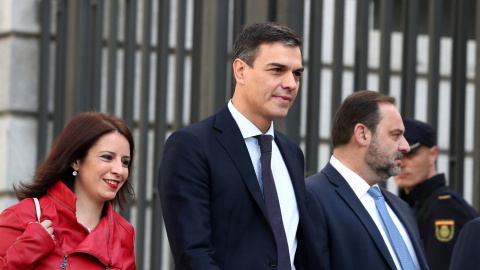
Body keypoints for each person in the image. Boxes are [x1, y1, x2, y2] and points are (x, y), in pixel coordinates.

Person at [158, 22, 326, 270]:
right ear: (240, 71)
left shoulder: (292, 153)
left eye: (297, 73)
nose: (291, 83)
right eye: (277, 70)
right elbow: (194, 255)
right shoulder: (191, 147)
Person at [306, 90, 429, 269]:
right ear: (362, 134)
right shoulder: (311, 197)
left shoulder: (401, 208)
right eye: (396, 135)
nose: (405, 146)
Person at [0, 112, 136, 269]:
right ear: (75, 160)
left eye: (125, 162)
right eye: (107, 157)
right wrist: (24, 253)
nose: (120, 170)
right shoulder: (24, 216)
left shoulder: (124, 233)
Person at [393, 118, 478, 270]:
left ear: (433, 155)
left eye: (410, 154)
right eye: (397, 154)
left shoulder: (444, 208)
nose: (402, 162)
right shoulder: (412, 204)